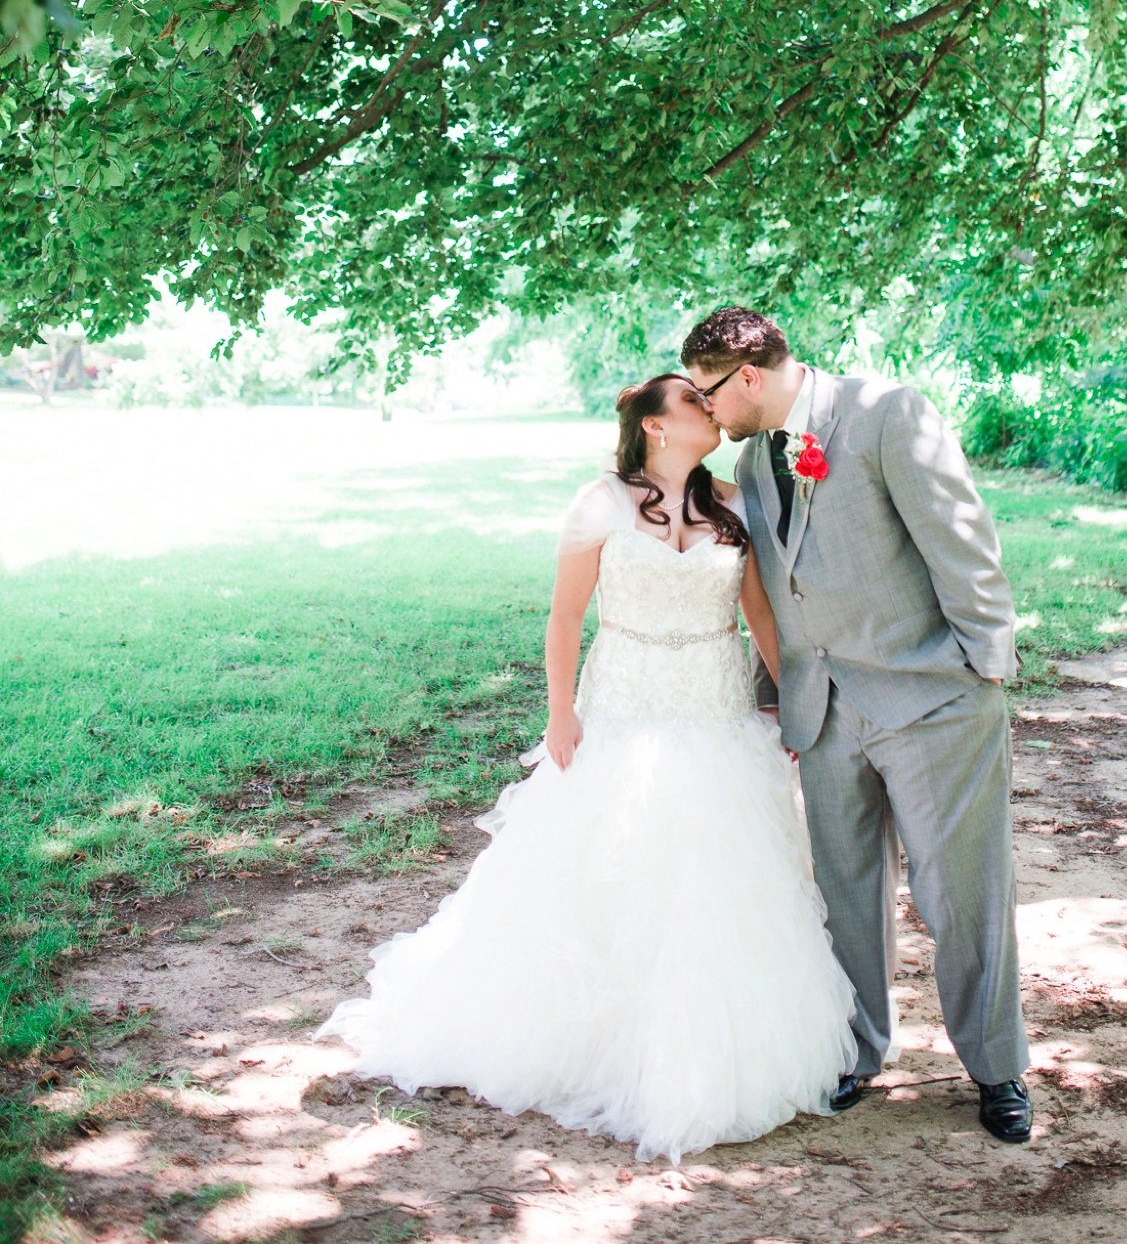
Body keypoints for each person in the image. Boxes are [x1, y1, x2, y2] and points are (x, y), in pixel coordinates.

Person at [318, 373, 856, 1163]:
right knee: (606, 872)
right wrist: (560, 712)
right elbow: (566, 614)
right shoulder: (598, 503)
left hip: (713, 713)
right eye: (692, 403)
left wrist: (798, 706)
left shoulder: (732, 505)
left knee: (713, 881)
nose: (711, 410)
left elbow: (761, 617)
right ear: (654, 427)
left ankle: (699, 1050)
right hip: (622, 712)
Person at [680, 307, 1032, 1145]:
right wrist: (779, 690)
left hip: (933, 700)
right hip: (824, 711)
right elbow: (778, 582)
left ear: (749, 375)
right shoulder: (757, 457)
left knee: (963, 894)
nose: (707, 410)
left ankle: (996, 1068)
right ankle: (860, 1052)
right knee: (846, 898)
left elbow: (964, 543)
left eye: (708, 391)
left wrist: (984, 670)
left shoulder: (888, 413)